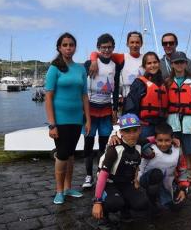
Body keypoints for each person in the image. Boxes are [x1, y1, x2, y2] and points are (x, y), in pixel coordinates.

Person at [45, 32, 91, 204]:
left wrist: (88, 119)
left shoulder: (80, 69)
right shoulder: (54, 68)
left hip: (76, 119)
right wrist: (52, 125)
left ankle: (68, 188)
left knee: (71, 155)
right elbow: (48, 97)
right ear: (59, 47)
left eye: (71, 45)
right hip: (60, 119)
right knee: (63, 154)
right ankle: (58, 191)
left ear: (75, 47)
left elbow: (84, 96)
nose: (68, 47)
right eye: (65, 45)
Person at [92, 113, 149, 227]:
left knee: (142, 203)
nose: (132, 135)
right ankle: (104, 216)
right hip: (109, 183)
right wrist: (97, 201)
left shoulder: (139, 144)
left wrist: (172, 140)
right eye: (127, 131)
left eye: (135, 130)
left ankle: (125, 211)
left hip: (125, 183)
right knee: (114, 203)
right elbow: (102, 175)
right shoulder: (114, 149)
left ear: (140, 130)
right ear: (121, 132)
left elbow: (153, 139)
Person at [166, 51, 191, 194]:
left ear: (186, 64)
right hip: (173, 125)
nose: (179, 65)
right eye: (176, 62)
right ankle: (178, 180)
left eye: (182, 62)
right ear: (172, 64)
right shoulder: (168, 83)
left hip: (189, 126)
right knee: (176, 155)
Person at [82, 33, 119, 188]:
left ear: (113, 48)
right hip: (90, 110)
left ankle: (100, 172)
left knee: (104, 146)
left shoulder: (115, 65)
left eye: (109, 47)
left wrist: (115, 108)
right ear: (98, 48)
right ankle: (88, 175)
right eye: (103, 47)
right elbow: (81, 88)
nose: (106, 50)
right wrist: (93, 59)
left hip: (105, 110)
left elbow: (116, 90)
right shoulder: (88, 63)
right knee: (88, 145)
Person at [138, 122, 190, 210]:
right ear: (155, 139)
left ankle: (163, 197)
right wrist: (152, 140)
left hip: (164, 183)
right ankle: (151, 201)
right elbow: (137, 142)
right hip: (144, 182)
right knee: (156, 174)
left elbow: (183, 170)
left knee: (177, 207)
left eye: (167, 140)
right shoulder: (149, 150)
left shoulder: (177, 150)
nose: (163, 144)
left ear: (172, 139)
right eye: (160, 140)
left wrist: (183, 189)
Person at [88, 31, 145, 109]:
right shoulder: (121, 57)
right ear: (127, 44)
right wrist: (94, 61)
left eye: (137, 42)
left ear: (141, 44)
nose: (134, 45)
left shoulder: (146, 58)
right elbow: (100, 53)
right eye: (132, 42)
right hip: (128, 101)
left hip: (144, 100)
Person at [123, 51, 168, 138]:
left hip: (162, 126)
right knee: (144, 150)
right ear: (144, 66)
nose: (152, 65)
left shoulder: (164, 83)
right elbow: (130, 105)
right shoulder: (139, 83)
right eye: (149, 63)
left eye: (155, 62)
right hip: (145, 126)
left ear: (159, 63)